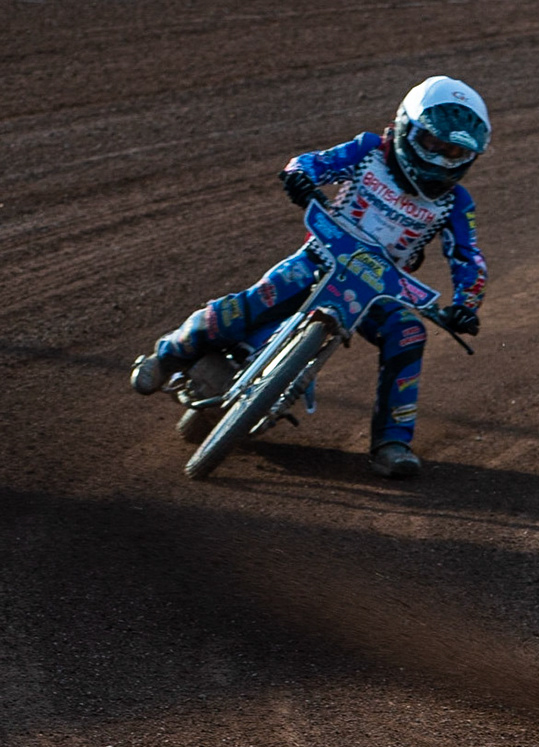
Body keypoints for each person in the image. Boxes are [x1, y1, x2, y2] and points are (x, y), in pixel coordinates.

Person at [130, 76, 491, 479]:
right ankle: (166, 356)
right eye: (433, 144)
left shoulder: (456, 203)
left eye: (455, 151)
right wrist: (300, 176)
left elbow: (468, 257)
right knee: (250, 304)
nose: (442, 159)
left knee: (409, 334)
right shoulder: (370, 150)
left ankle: (392, 443)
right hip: (320, 259)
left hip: (379, 291)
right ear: (407, 127)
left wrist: (466, 305)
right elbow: (312, 162)